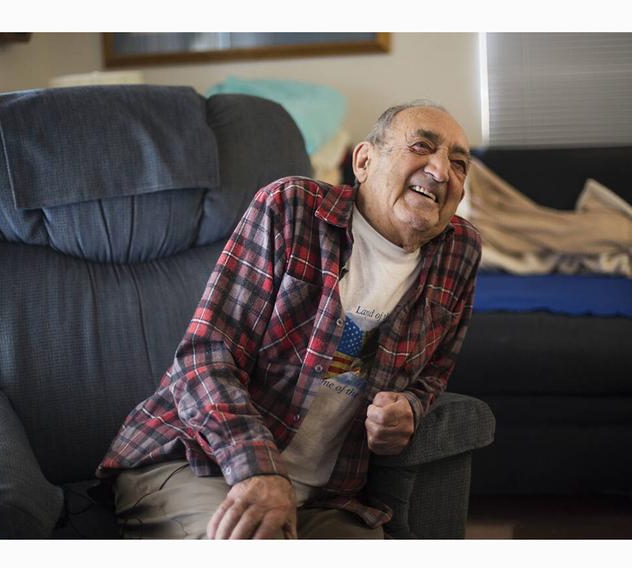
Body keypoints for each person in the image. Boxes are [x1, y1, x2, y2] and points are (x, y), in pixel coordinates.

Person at [95, 100, 482, 539]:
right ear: (364, 160)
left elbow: (434, 373)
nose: (441, 170)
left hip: (324, 496)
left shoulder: (459, 251)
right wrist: (259, 471)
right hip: (197, 460)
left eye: (458, 163)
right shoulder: (293, 208)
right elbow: (205, 358)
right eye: (421, 147)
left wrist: (409, 409)